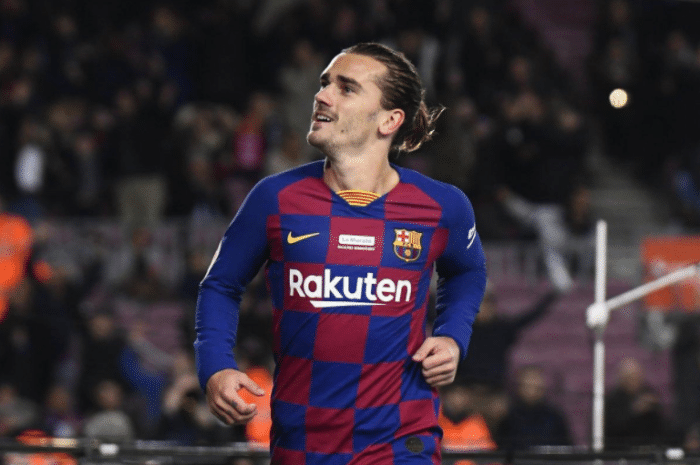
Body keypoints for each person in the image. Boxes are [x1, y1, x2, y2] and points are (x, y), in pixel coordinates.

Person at [194, 42, 488, 464]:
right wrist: (216, 366)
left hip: (401, 441)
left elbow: (467, 272)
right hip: (302, 444)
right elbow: (221, 285)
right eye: (324, 83)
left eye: (346, 88)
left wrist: (451, 335)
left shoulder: (442, 206)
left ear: (389, 120)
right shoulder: (274, 198)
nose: (322, 95)